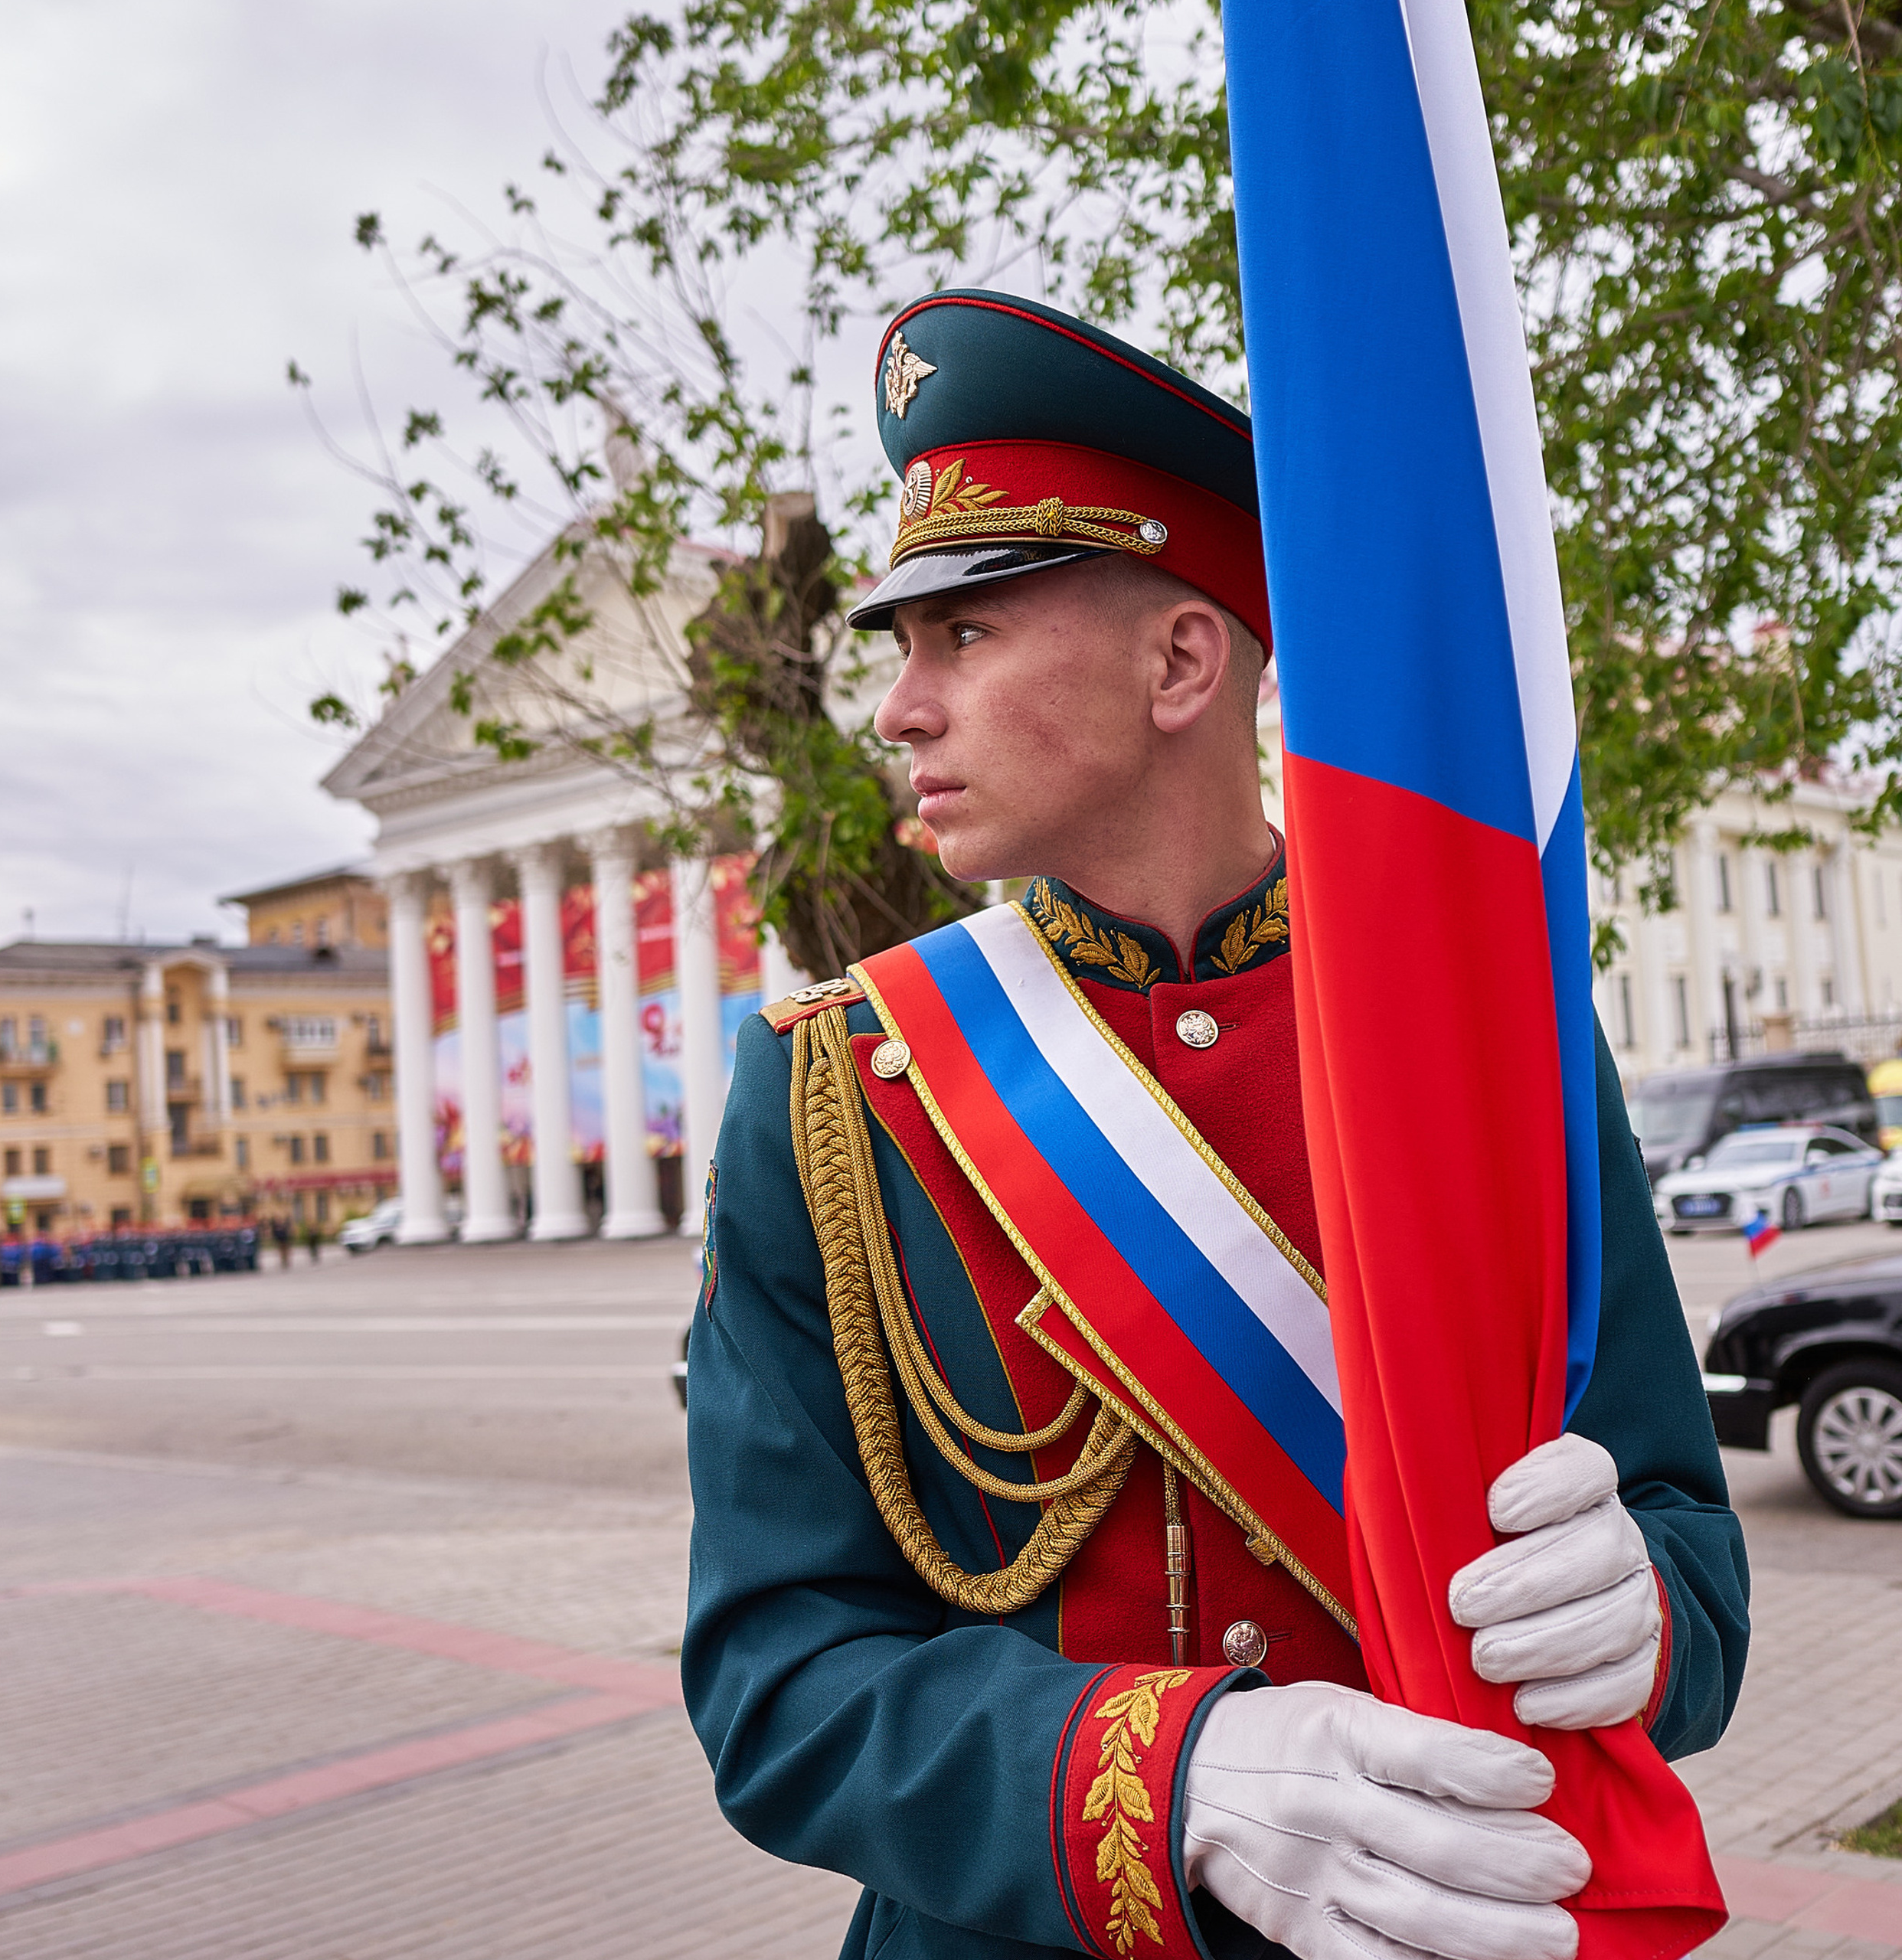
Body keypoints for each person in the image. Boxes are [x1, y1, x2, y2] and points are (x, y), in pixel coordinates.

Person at [682, 291, 1748, 1960]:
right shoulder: (838, 1090)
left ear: (1180, 658)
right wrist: (1173, 1775)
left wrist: (1647, 1615)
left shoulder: (1485, 1029)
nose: (897, 706)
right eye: (899, 646)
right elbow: (777, 1681)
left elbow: (1682, 1533)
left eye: (959, 633)